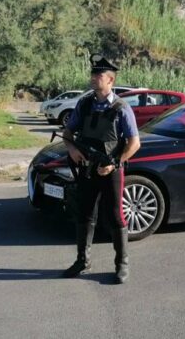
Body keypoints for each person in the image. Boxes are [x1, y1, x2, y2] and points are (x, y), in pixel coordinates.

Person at [61, 53, 141, 284]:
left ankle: (122, 265)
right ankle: (82, 261)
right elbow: (68, 135)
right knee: (85, 214)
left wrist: (115, 163)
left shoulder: (121, 108)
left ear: (110, 80)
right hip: (87, 169)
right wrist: (72, 151)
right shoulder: (84, 104)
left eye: (99, 75)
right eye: (93, 74)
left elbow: (135, 143)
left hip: (111, 171)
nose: (94, 77)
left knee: (116, 216)